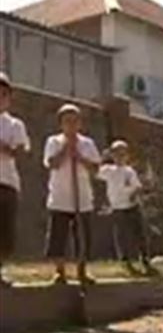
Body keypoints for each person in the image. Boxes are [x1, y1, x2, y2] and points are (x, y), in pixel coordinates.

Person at [43, 104, 101, 285]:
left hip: (82, 199)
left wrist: (80, 156)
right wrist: (66, 149)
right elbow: (51, 163)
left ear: (80, 123)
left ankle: (82, 271)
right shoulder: (53, 141)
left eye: (75, 121)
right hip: (60, 199)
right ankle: (60, 272)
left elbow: (95, 169)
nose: (71, 125)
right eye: (67, 121)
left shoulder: (88, 144)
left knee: (82, 238)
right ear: (61, 124)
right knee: (58, 238)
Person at [98, 140, 152, 273]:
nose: (120, 157)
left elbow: (138, 186)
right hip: (118, 208)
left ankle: (144, 259)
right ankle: (125, 261)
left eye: (123, 154)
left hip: (132, 206)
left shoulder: (129, 171)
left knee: (139, 233)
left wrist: (134, 194)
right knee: (122, 236)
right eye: (117, 154)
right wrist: (103, 157)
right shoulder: (108, 170)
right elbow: (94, 170)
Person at [0, 72, 31, 287]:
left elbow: (20, 151)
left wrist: (4, 147)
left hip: (6, 182)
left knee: (4, 231)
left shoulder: (14, 125)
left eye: (3, 94)